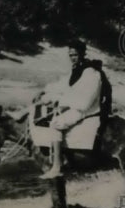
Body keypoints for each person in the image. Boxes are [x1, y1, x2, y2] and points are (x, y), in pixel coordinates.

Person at [38, 40, 107, 179]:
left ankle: (57, 166)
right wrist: (45, 92)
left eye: (75, 55)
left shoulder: (91, 73)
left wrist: (62, 103)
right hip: (76, 107)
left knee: (55, 124)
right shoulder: (77, 70)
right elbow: (63, 86)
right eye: (70, 55)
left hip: (86, 110)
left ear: (82, 53)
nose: (72, 58)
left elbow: (85, 101)